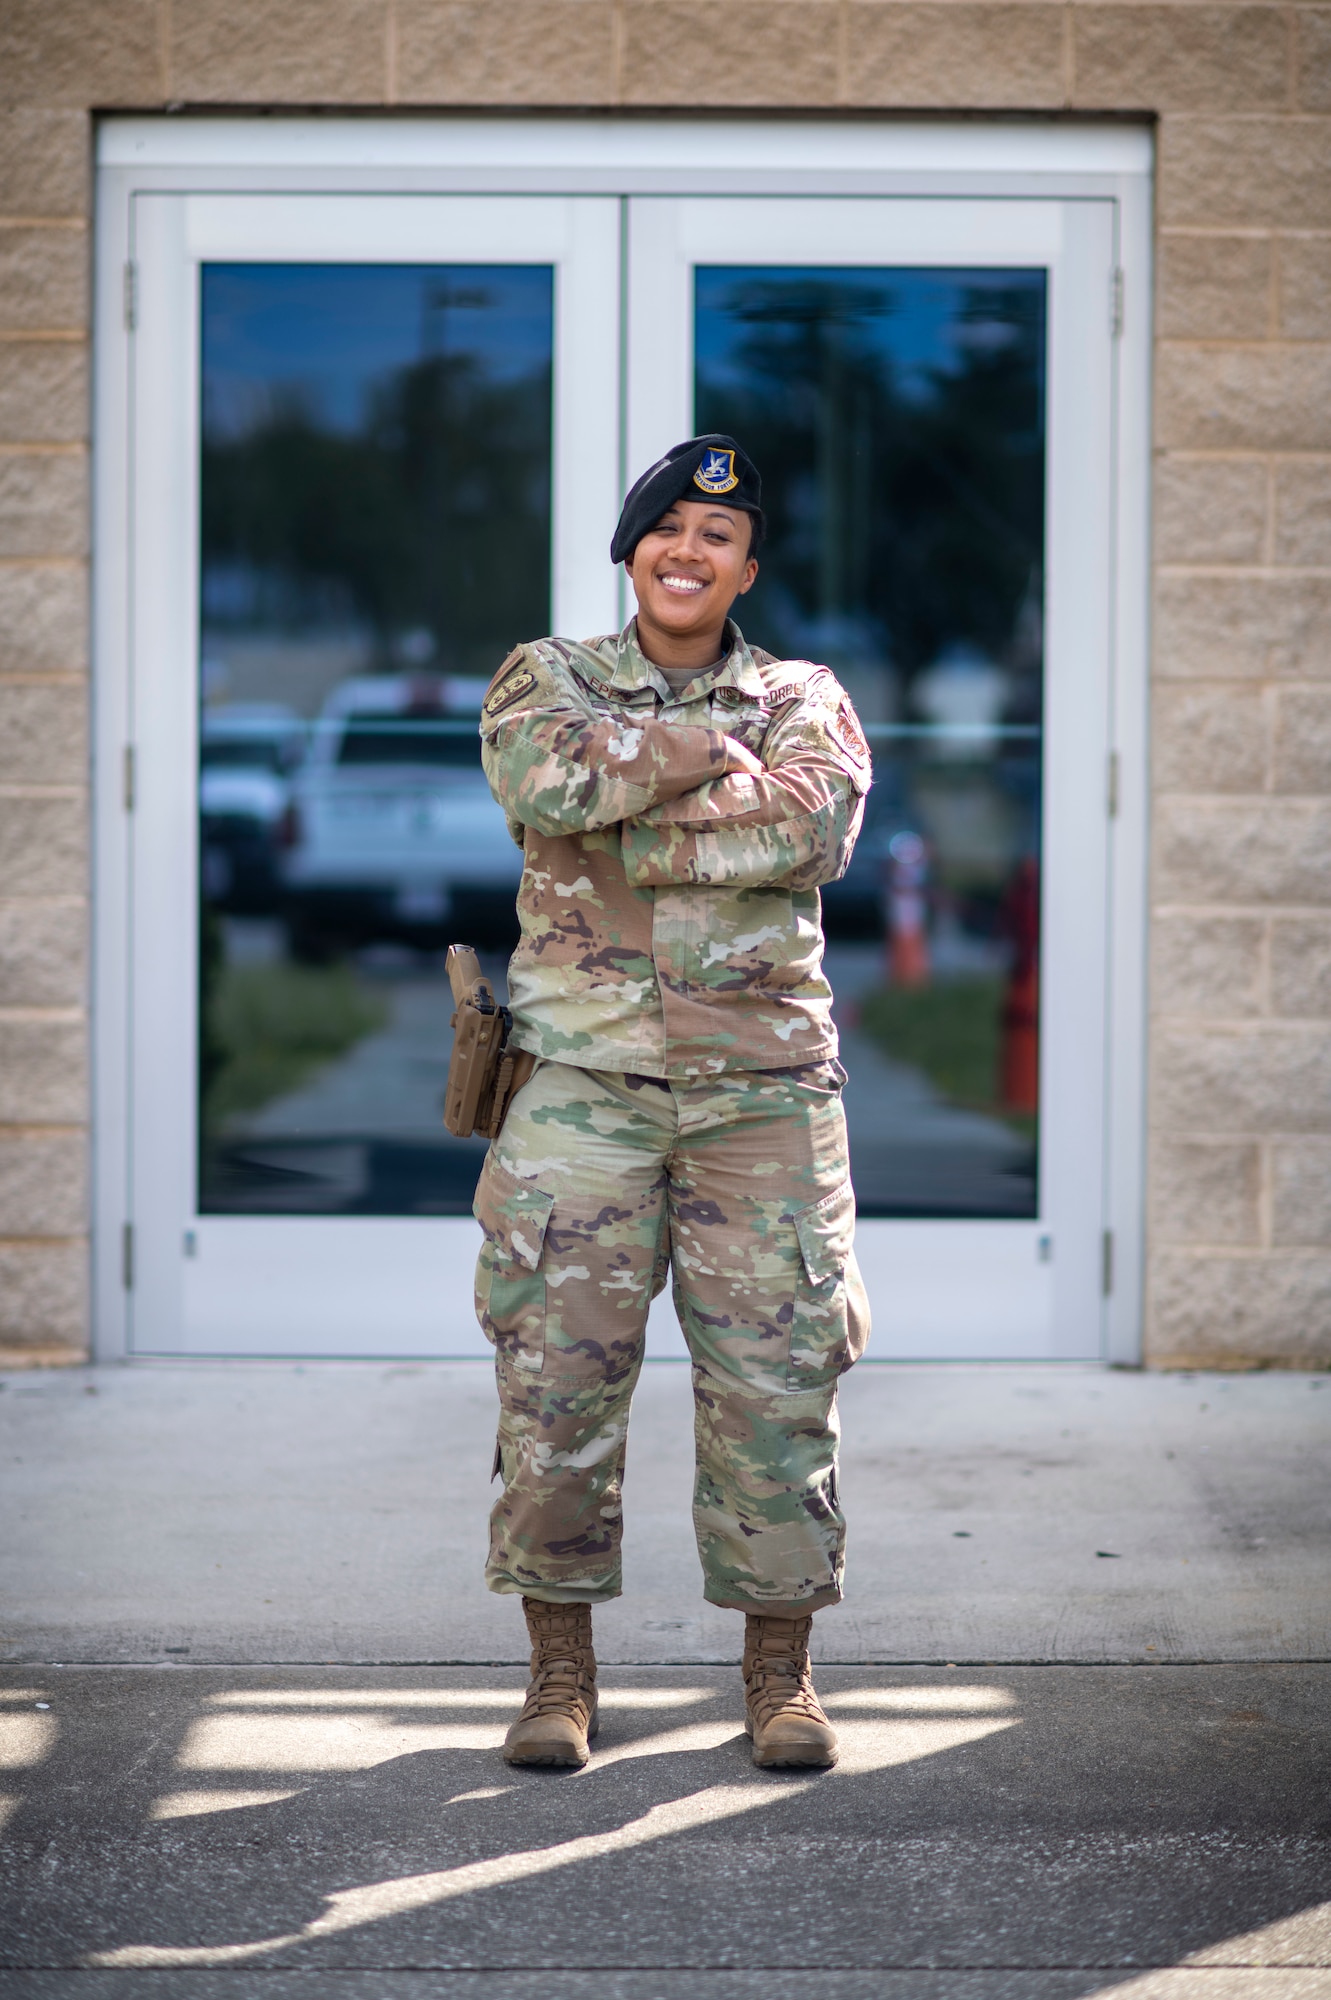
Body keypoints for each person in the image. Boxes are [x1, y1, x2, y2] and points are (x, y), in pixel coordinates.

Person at [474, 433, 872, 1771]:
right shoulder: (546, 679)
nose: (688, 552)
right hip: (584, 1095)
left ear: (746, 566)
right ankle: (558, 1678)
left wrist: (633, 804)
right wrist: (711, 757)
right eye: (668, 531)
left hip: (762, 1103)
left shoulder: (810, 693)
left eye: (718, 538)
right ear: (633, 549)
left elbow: (811, 832)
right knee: (557, 1388)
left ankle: (781, 1677)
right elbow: (544, 781)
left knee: (778, 1393)